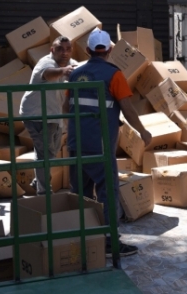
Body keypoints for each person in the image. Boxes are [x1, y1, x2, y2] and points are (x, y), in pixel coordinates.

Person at [64, 28, 151, 257]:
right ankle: (110, 243)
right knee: (107, 193)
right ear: (110, 50)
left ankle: (82, 239)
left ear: (87, 49)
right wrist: (143, 131)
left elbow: (67, 107)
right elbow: (128, 109)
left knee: (79, 192)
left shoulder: (74, 74)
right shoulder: (114, 75)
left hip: (76, 143)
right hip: (100, 144)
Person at [20, 36, 78, 195]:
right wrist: (64, 71)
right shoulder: (46, 62)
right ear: (52, 50)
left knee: (52, 151)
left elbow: (78, 69)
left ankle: (37, 180)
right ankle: (44, 193)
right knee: (45, 153)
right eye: (60, 49)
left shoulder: (70, 62)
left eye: (67, 49)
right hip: (37, 115)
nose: (64, 53)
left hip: (53, 115)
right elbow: (48, 74)